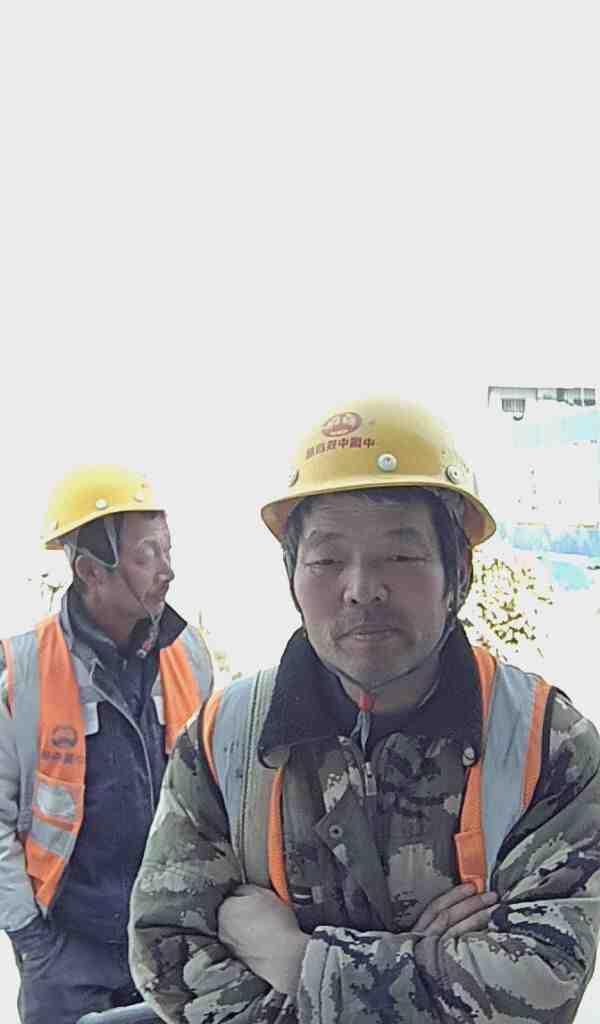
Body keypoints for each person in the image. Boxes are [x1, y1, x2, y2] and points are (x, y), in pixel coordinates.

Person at [129, 399, 600, 1024]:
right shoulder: (225, 741)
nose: (361, 589)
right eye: (327, 560)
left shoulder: (546, 741)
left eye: (400, 557)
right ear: (293, 577)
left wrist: (298, 962)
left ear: (458, 574)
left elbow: (542, 983)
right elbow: (169, 959)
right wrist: (431, 967)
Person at [0, 464, 214, 1024]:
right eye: (148, 555)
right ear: (91, 570)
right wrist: (32, 939)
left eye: (168, 550)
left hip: (175, 945)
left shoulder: (188, 653)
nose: (167, 570)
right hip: (69, 957)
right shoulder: (19, 672)